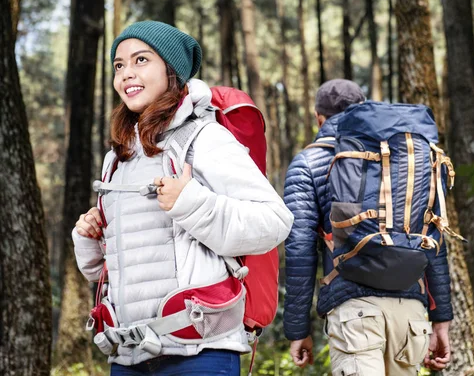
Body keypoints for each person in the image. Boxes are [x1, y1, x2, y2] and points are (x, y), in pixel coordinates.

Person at [73, 20, 293, 375]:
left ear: (171, 70)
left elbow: (274, 221)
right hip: (127, 356)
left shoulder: (204, 137)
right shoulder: (117, 159)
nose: (126, 73)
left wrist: (191, 203)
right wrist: (88, 238)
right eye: (119, 65)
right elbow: (109, 271)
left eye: (141, 60)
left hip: (199, 353)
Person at [283, 79, 453, 375]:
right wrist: (442, 320)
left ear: (318, 117)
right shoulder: (404, 155)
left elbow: (300, 249)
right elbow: (433, 238)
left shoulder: (308, 164)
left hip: (355, 312)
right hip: (410, 311)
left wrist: (298, 329)